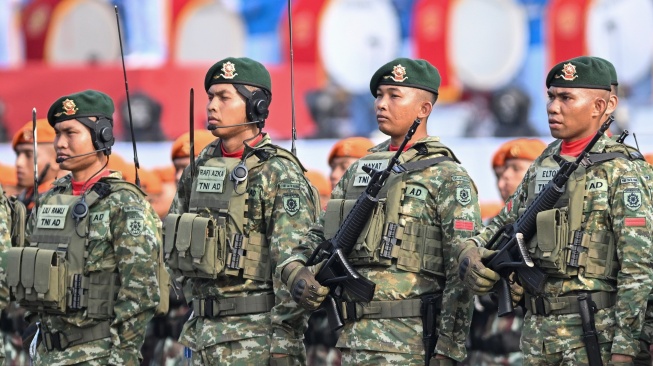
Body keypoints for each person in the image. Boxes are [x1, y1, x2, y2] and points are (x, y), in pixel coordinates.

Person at [279, 58, 479, 365]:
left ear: (424, 109)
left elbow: (460, 274)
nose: (381, 104)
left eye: (394, 96)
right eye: (379, 95)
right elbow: (318, 236)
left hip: (409, 344)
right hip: (352, 341)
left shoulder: (447, 176)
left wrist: (448, 348)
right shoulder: (360, 169)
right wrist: (294, 269)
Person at [457, 56, 653, 365]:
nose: (552, 106)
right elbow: (505, 221)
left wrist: (626, 348)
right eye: (551, 96)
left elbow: (639, 269)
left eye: (566, 98)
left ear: (602, 106)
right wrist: (471, 249)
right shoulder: (544, 164)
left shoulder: (623, 169)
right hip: (538, 339)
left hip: (594, 337)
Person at [166, 57, 320, 365]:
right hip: (199, 335)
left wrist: (284, 342)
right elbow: (173, 241)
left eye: (224, 97)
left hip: (254, 339)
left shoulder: (277, 171)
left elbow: (294, 266)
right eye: (210, 96)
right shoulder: (199, 167)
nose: (212, 105)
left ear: (257, 106)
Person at [11, 89, 162, 365]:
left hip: (98, 354)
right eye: (57, 134)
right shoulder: (50, 199)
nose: (60, 143)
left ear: (101, 134)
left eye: (70, 133)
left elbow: (141, 291)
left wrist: (122, 357)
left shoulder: (124, 202)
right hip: (48, 355)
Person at [464, 138, 545, 366]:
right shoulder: (487, 231)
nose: (505, 178)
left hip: (528, 349)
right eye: (499, 174)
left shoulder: (551, 231)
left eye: (516, 168)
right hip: (482, 352)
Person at [12, 118, 65, 214]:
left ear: (56, 159)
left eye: (29, 155)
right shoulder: (22, 199)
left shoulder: (64, 200)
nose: (19, 162)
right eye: (18, 154)